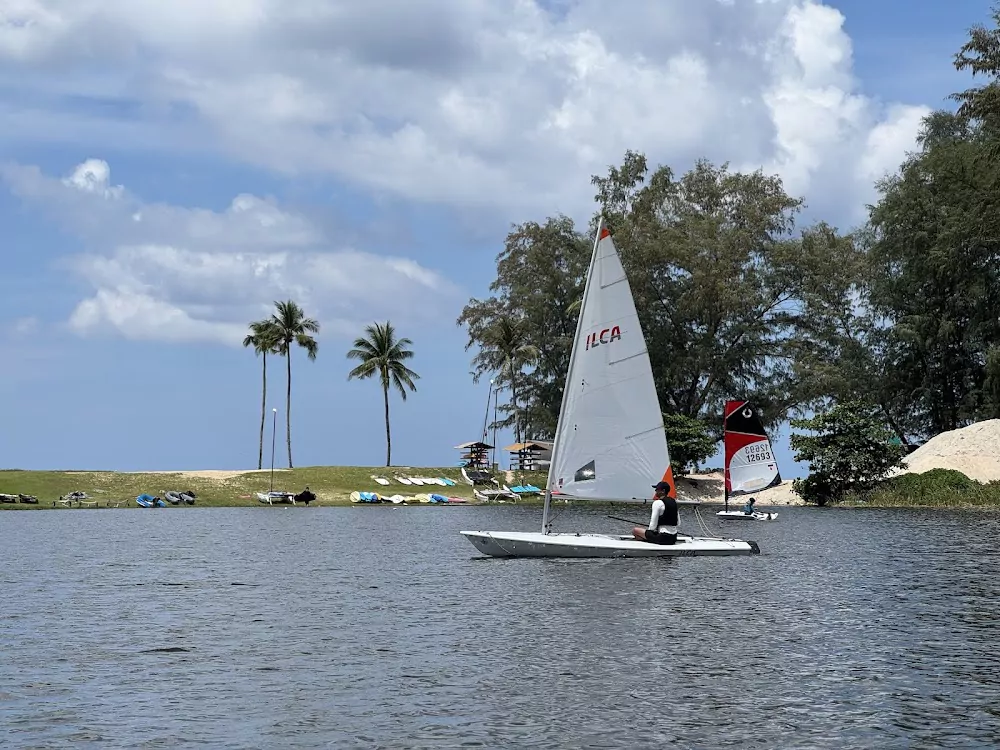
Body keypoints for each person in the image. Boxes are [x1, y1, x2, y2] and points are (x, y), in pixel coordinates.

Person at [632, 480, 678, 544]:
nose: (655, 491)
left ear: (663, 491)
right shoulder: (674, 502)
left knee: (635, 531)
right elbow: (678, 523)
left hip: (662, 537)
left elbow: (652, 526)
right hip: (673, 537)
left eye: (657, 489)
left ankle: (649, 543)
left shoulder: (657, 503)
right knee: (644, 532)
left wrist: (649, 533)